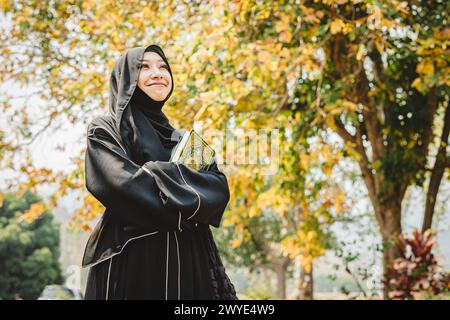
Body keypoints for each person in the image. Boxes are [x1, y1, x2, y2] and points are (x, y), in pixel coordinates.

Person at [82, 44, 237, 300]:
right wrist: (185, 194)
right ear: (126, 77)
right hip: (134, 259)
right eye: (144, 67)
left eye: (163, 67)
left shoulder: (183, 140)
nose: (158, 73)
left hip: (190, 259)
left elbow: (218, 188)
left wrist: (154, 173)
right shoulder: (105, 129)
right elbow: (119, 184)